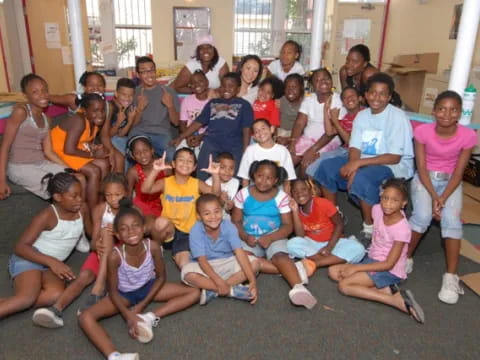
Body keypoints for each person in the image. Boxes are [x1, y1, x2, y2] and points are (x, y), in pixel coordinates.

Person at [78, 199, 200, 359]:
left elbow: (161, 277)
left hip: (149, 287)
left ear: (144, 228)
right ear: (117, 234)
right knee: (85, 317)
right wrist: (128, 315)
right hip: (124, 295)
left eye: (135, 226)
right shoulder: (115, 256)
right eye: (124, 228)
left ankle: (149, 318)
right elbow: (113, 292)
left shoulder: (153, 247)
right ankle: (114, 356)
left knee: (194, 293)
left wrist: (141, 308)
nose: (131, 231)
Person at [315, 73, 414, 244]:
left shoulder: (398, 117)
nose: (377, 97)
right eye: (373, 92)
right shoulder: (362, 116)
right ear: (366, 95)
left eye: (383, 93)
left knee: (362, 178)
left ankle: (369, 227)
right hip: (364, 161)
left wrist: (358, 165)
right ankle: (335, 216)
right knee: (326, 167)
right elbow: (355, 147)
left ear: (389, 97)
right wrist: (354, 163)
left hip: (392, 165)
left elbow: (395, 157)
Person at [32, 173, 130, 328]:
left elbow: (135, 241)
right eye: (108, 195)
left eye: (118, 194)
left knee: (107, 233)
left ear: (126, 193)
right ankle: (56, 309)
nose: (113, 199)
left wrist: (117, 232)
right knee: (84, 276)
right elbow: (93, 242)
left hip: (123, 253)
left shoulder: (130, 211)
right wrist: (97, 245)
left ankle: (99, 287)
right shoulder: (100, 210)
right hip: (102, 251)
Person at [407, 91, 477, 305]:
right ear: (434, 111)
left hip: (451, 183)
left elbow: (458, 173)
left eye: (453, 109)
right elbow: (421, 167)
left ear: (459, 112)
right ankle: (404, 258)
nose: (447, 114)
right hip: (425, 179)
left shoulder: (468, 136)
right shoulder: (422, 132)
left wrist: (443, 198)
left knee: (452, 221)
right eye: (442, 108)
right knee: (422, 216)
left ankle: (451, 277)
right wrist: (434, 196)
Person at [328, 178, 425, 324]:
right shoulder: (376, 209)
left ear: (403, 203)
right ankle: (384, 289)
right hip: (372, 259)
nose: (387, 204)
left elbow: (389, 264)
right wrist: (358, 267)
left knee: (345, 286)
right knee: (333, 271)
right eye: (385, 198)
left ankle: (394, 300)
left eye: (394, 200)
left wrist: (356, 268)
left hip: (389, 270)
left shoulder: (402, 229)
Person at [0, 172, 91, 319]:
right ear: (58, 197)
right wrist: (53, 262)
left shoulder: (83, 209)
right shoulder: (46, 216)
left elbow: (91, 232)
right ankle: (19, 302)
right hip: (30, 257)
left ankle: (9, 303)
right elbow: (20, 247)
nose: (79, 199)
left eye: (80, 194)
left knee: (54, 295)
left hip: (49, 265)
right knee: (27, 298)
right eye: (74, 196)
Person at [232, 160, 317, 309]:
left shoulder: (281, 197)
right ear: (253, 175)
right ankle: (295, 269)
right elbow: (236, 221)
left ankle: (298, 287)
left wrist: (270, 237)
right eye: (260, 176)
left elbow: (288, 226)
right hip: (249, 235)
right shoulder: (243, 194)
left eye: (269, 178)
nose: (263, 181)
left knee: (280, 256)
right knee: (244, 260)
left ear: (276, 180)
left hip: (274, 235)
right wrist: (245, 236)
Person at [141, 148, 221, 268]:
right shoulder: (165, 182)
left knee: (184, 264)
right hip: (169, 230)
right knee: (160, 222)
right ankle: (157, 248)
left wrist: (215, 175)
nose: (185, 163)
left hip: (189, 232)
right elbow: (145, 189)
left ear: (194, 167)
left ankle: (189, 256)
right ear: (173, 164)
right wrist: (155, 170)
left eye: (189, 161)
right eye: (181, 160)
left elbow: (215, 194)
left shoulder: (196, 183)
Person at [171, 72, 253, 181]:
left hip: (234, 144)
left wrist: (245, 150)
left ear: (238, 89)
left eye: (230, 86)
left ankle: (229, 194)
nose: (226, 89)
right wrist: (181, 137)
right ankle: (204, 193)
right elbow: (198, 122)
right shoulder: (213, 103)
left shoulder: (244, 105)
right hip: (212, 142)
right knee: (203, 171)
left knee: (233, 175)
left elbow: (246, 129)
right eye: (223, 86)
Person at [0, 74, 70, 200]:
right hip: (20, 167)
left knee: (77, 179)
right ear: (26, 95)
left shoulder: (46, 118)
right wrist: (1, 181)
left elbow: (48, 151)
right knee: (63, 188)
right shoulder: (21, 112)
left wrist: (68, 169)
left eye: (44, 90)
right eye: (35, 92)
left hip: (41, 163)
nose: (42, 95)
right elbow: (4, 147)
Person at [181, 194, 259, 305]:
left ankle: (213, 291)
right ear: (199, 216)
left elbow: (239, 253)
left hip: (227, 261)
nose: (213, 217)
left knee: (255, 263)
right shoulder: (195, 230)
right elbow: (202, 261)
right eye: (207, 214)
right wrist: (219, 282)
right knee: (187, 273)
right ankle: (231, 290)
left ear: (222, 211)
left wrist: (252, 282)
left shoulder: (229, 226)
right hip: (206, 265)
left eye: (217, 211)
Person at [287, 178, 365, 274]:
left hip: (334, 241)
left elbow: (339, 224)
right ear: (292, 195)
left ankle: (315, 263)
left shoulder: (323, 203)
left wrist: (329, 247)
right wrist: (295, 211)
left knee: (358, 249)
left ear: (311, 190)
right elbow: (300, 236)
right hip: (313, 244)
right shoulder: (295, 209)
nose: (300, 194)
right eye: (295, 191)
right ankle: (333, 260)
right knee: (292, 243)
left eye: (303, 189)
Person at [50, 93, 111, 211]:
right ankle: (92, 211)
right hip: (60, 151)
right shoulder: (79, 120)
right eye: (95, 110)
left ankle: (100, 202)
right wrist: (93, 154)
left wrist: (92, 147)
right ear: (84, 110)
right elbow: (69, 149)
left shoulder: (94, 122)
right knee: (94, 171)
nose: (100, 114)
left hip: (73, 149)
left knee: (104, 163)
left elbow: (81, 140)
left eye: (103, 110)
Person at [288, 68, 343, 174]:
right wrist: (292, 142)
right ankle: (287, 189)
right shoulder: (309, 100)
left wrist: (312, 150)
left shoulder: (338, 100)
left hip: (329, 141)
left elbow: (331, 132)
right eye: (317, 80)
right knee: (288, 159)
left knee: (306, 166)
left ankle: (305, 189)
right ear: (313, 86)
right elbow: (299, 123)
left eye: (326, 78)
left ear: (331, 81)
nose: (323, 81)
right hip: (308, 139)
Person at [129, 56, 180, 161]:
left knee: (173, 157)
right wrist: (139, 109)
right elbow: (132, 125)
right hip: (140, 133)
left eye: (151, 70)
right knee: (131, 154)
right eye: (144, 71)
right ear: (138, 75)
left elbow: (176, 123)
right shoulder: (134, 93)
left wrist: (170, 106)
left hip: (162, 134)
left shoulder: (169, 92)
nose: (149, 74)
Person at [307, 86, 364, 178]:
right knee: (314, 161)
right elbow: (329, 132)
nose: (349, 99)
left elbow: (351, 143)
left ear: (360, 98)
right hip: (344, 150)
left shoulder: (365, 114)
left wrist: (335, 120)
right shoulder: (346, 118)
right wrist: (326, 110)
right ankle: (313, 188)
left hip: (356, 152)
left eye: (352, 96)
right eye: (345, 98)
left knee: (322, 164)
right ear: (343, 104)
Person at [237, 119, 296, 192]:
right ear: (254, 137)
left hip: (277, 192)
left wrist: (287, 199)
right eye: (256, 131)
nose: (260, 132)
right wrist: (245, 197)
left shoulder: (283, 151)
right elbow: (245, 179)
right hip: (255, 192)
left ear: (272, 129)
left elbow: (287, 180)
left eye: (263, 128)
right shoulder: (250, 150)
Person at [126, 136, 166, 217]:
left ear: (152, 150)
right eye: (137, 153)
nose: (142, 155)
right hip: (142, 206)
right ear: (133, 156)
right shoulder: (133, 172)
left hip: (164, 205)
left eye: (145, 150)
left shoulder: (165, 168)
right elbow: (128, 195)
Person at [176, 70, 210, 155]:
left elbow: (215, 126)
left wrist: (201, 137)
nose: (197, 84)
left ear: (207, 82)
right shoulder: (187, 100)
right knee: (179, 153)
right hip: (189, 135)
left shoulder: (212, 100)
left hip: (207, 136)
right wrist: (188, 137)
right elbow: (182, 123)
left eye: (200, 81)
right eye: (193, 82)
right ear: (190, 86)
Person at [102, 78, 137, 156]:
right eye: (124, 95)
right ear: (116, 94)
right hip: (106, 140)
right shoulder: (109, 107)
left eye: (130, 95)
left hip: (120, 138)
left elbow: (121, 134)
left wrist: (130, 121)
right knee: (117, 141)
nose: (127, 98)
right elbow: (108, 136)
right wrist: (118, 122)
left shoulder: (129, 109)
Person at [205, 152, 240, 219]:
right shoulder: (208, 183)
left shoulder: (235, 182)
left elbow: (228, 208)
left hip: (225, 218)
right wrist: (220, 199)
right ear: (216, 167)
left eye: (231, 168)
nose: (227, 171)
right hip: (211, 218)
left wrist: (230, 206)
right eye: (223, 167)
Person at [277, 73, 305, 146]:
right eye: (287, 87)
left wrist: (289, 139)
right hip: (280, 133)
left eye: (294, 87)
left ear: (301, 88)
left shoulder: (305, 103)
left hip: (297, 135)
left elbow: (305, 129)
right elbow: (275, 121)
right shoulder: (280, 101)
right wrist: (276, 137)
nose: (290, 90)